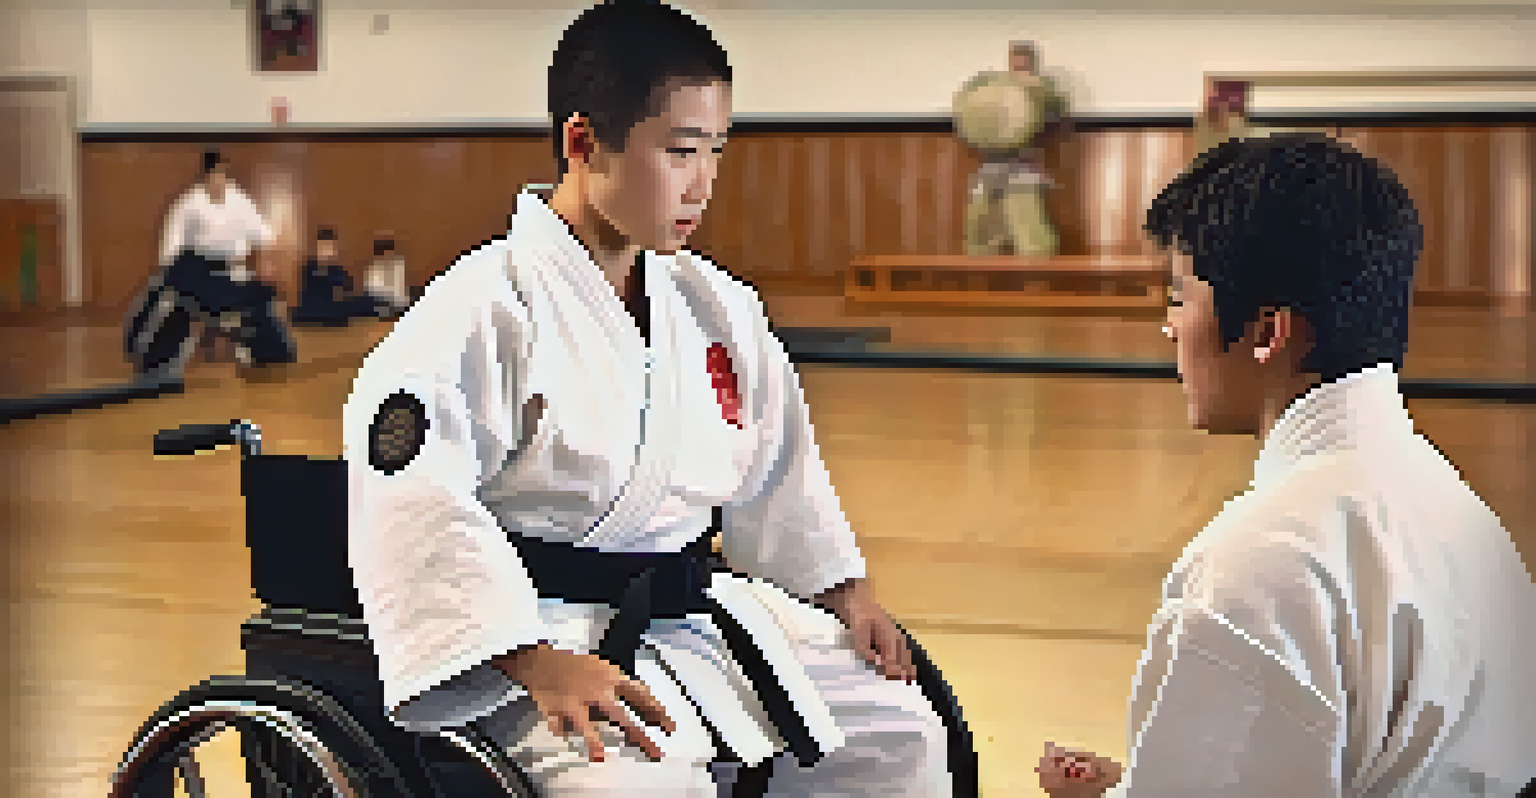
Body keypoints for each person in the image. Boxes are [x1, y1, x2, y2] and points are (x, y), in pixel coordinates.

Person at [341, 2, 952, 796]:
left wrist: (846, 592)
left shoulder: (717, 305)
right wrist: (535, 663)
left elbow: (780, 475)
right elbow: (413, 500)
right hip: (541, 638)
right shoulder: (485, 306)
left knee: (896, 733)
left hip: (695, 620)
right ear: (583, 141)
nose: (702, 184)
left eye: (716, 152)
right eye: (680, 150)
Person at [1035, 133, 1536, 797]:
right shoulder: (1452, 504)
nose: (1170, 328)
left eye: (1180, 298)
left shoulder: (1261, 566)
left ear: (1268, 332)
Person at [125, 147, 296, 374]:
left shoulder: (239, 200)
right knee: (178, 299)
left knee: (262, 295)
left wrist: (266, 261)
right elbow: (172, 245)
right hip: (196, 269)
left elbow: (263, 234)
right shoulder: (189, 202)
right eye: (214, 176)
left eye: (223, 175)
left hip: (232, 270)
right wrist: (171, 270)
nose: (219, 181)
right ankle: (157, 360)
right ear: (205, 177)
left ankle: (269, 352)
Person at [954, 40, 1071, 257]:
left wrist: (1036, 94)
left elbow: (1058, 117)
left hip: (1022, 168)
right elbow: (971, 123)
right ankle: (981, 276)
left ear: (1031, 63)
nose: (1017, 68)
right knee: (978, 227)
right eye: (1014, 64)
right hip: (990, 166)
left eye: (1022, 64)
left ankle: (1040, 279)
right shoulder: (996, 89)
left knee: (1030, 231)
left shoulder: (1044, 90)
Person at [291, 227, 387, 325]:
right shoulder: (309, 268)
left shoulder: (337, 270)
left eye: (330, 248)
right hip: (317, 309)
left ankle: (381, 306)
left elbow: (347, 289)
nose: (327, 251)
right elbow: (317, 292)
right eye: (324, 247)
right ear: (318, 248)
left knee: (366, 300)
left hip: (336, 307)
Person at [361, 232, 410, 317]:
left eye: (390, 252)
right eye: (384, 253)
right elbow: (375, 294)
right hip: (381, 305)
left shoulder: (398, 264)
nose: (388, 255)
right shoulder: (373, 269)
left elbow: (400, 291)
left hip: (400, 304)